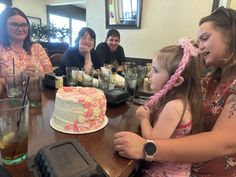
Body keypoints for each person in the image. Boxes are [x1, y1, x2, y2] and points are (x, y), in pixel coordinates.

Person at [114, 7, 236, 177]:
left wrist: (146, 147)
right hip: (185, 167)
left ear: (230, 35)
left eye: (205, 38)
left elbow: (224, 143)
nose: (199, 47)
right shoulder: (208, 80)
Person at [132, 38, 203, 176]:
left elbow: (154, 143)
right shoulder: (176, 99)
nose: (149, 74)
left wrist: (144, 119)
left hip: (166, 172)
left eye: (155, 70)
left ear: (176, 81)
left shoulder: (174, 106)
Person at [0, 7, 53, 86]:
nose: (20, 29)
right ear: (3, 26)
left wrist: (39, 75)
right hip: (10, 97)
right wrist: (20, 77)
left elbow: (50, 74)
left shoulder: (36, 47)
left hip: (38, 94)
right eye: (14, 24)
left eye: (24, 25)